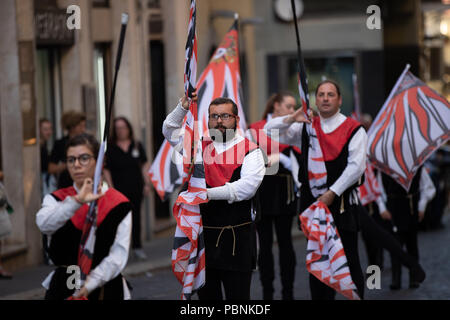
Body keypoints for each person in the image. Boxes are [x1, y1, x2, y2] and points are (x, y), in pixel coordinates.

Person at [265, 80, 367, 300]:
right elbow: (269, 130)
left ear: (339, 99)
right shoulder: (307, 127)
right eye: (321, 94)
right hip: (314, 209)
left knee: (350, 261)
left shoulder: (354, 128)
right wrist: (293, 117)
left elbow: (356, 167)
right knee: (319, 264)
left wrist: (332, 193)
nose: (326, 98)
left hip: (341, 206)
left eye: (331, 94)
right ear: (315, 100)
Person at [163, 95, 266, 300]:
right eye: (214, 116)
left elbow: (246, 188)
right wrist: (183, 107)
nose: (219, 121)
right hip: (203, 241)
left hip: (237, 242)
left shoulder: (251, 151)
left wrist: (206, 194)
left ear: (236, 119)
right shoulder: (198, 147)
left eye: (225, 116)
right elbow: (169, 129)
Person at [36, 133, 132, 300]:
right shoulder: (56, 199)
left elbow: (118, 255)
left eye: (84, 158)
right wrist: (76, 202)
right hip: (64, 285)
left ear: (99, 162)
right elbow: (44, 224)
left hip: (105, 287)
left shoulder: (119, 203)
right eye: (71, 160)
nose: (77, 165)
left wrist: (89, 284)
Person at [247, 92, 298, 300]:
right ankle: (268, 293)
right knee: (264, 245)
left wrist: (278, 159)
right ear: (276, 106)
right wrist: (279, 158)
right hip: (263, 188)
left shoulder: (293, 128)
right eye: (289, 106)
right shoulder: (256, 128)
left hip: (285, 188)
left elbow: (297, 158)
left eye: (294, 107)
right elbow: (252, 156)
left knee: (286, 242)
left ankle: (288, 293)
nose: (292, 111)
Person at [379, 166, 436, 290]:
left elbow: (428, 187)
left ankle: (414, 277)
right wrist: (382, 208)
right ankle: (396, 277)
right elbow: (378, 189)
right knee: (395, 245)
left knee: (412, 244)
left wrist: (422, 206)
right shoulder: (384, 166)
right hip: (393, 209)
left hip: (410, 209)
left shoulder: (416, 166)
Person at [103, 117, 151, 260]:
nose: (120, 131)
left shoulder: (136, 145)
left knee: (136, 218)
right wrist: (111, 188)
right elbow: (106, 169)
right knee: (119, 220)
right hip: (119, 190)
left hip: (136, 187)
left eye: (123, 127)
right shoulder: (111, 148)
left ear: (128, 129)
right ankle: (118, 249)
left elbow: (144, 164)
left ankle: (137, 247)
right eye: (117, 128)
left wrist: (147, 183)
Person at [48, 111, 86, 189]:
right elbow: (51, 168)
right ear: (72, 127)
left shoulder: (86, 142)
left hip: (84, 182)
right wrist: (68, 164)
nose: (83, 129)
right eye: (81, 126)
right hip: (66, 184)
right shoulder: (60, 144)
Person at [39, 118, 56, 265]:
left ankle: (49, 251)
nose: (48, 132)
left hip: (48, 184)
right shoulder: (39, 147)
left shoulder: (45, 146)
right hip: (44, 185)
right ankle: (46, 252)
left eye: (50, 129)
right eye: (45, 129)